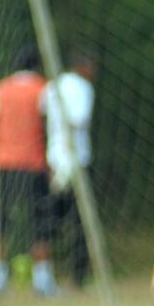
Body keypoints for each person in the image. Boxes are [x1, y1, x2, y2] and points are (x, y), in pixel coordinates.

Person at [0, 47, 55, 296]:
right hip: (34, 163)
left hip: (2, 163)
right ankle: (42, 279)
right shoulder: (43, 89)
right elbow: (51, 125)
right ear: (37, 66)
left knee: (0, 222)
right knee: (41, 220)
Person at [42, 49, 99, 291]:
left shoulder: (53, 86)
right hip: (77, 163)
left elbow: (41, 109)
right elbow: (79, 118)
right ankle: (78, 277)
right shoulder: (83, 88)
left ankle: (44, 274)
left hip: (54, 160)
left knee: (49, 221)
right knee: (81, 223)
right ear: (82, 66)